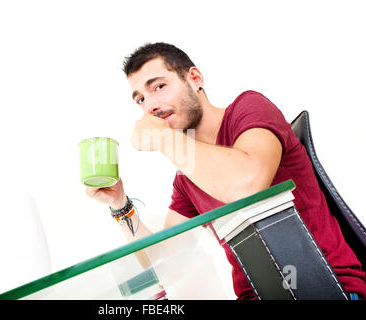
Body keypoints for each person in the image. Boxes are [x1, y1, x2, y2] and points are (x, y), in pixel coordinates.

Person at [85, 42, 366, 300]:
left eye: (158, 87)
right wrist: (120, 205)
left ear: (194, 78)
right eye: (140, 100)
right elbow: (166, 264)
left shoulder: (249, 108)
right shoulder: (187, 178)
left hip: (323, 289)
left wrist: (163, 138)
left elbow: (248, 183)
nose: (151, 107)